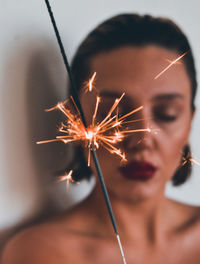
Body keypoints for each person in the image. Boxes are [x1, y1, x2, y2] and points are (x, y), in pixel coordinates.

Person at [1, 13, 200, 264]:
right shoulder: (40, 253)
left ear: (190, 120)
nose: (142, 139)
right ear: (75, 121)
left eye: (166, 114)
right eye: (111, 115)